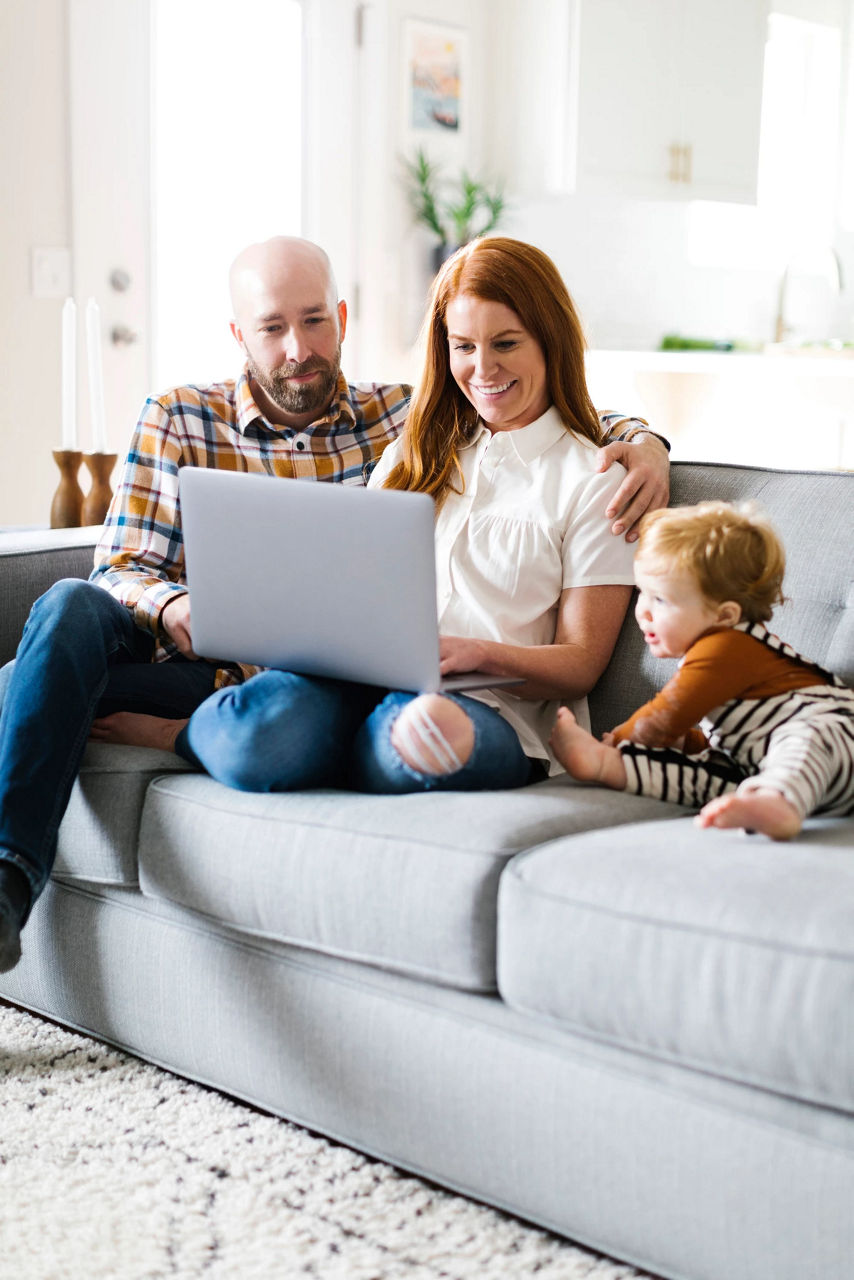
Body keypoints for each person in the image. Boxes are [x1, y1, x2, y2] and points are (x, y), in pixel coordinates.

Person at [0, 235, 669, 973]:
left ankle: (140, 722)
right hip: (266, 665)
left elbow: (553, 430)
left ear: (342, 319)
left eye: (314, 320)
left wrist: (649, 443)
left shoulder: (448, 434)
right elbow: (124, 567)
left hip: (407, 691)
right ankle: (16, 869)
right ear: (239, 336)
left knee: (373, 728)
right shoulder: (385, 440)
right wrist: (183, 610)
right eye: (273, 327)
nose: (298, 348)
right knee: (81, 619)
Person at [93, 236, 649, 803]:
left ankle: (358, 747)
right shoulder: (416, 450)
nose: (483, 369)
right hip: (357, 686)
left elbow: (580, 663)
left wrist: (478, 654)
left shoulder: (595, 478)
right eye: (463, 347)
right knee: (268, 726)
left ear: (550, 342)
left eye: (506, 343)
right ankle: (206, 735)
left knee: (424, 732)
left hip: (491, 711)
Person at [549, 500, 854, 839]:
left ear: (724, 616)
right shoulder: (711, 653)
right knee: (705, 775)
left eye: (661, 599)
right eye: (642, 593)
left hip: (838, 737)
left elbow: (666, 716)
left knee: (805, 738)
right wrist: (682, 745)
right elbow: (721, 739)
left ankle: (777, 803)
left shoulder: (727, 647)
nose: (644, 612)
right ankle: (606, 768)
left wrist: (616, 740)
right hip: (764, 767)